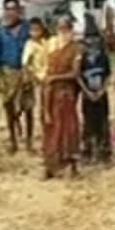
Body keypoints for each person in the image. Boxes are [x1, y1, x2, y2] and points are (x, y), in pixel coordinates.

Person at [42, 16, 82, 179]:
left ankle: (71, 165)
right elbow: (45, 68)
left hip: (65, 93)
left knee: (68, 128)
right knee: (50, 127)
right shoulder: (51, 44)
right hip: (50, 92)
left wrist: (55, 78)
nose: (63, 31)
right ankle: (51, 166)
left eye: (66, 28)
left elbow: (75, 73)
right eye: (60, 28)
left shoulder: (76, 48)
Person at [0, 0, 31, 154]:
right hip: (8, 72)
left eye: (13, 8)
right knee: (8, 107)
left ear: (18, 10)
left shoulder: (27, 27)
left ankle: (29, 141)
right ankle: (13, 140)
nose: (10, 12)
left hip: (25, 71)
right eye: (7, 9)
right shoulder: (1, 31)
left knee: (28, 107)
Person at [77, 33, 111, 165]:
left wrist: (102, 91)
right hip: (87, 95)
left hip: (102, 95)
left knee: (103, 123)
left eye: (95, 43)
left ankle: (104, 152)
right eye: (89, 44)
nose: (92, 46)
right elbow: (78, 77)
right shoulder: (82, 59)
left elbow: (108, 76)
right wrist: (86, 91)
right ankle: (87, 151)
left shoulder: (103, 58)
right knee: (88, 123)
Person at [21, 17, 49, 154]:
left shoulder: (46, 43)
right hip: (36, 81)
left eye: (37, 30)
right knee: (35, 111)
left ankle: (47, 139)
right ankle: (31, 141)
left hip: (47, 79)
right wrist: (31, 79)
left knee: (46, 110)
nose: (35, 33)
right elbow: (25, 64)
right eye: (32, 30)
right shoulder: (29, 45)